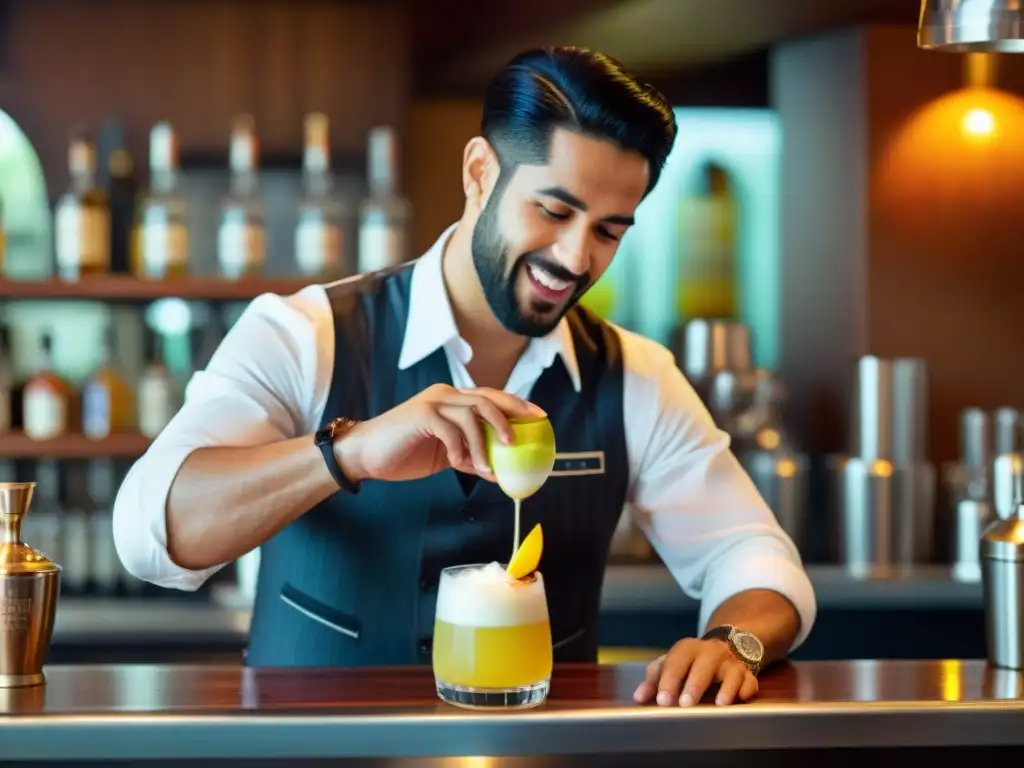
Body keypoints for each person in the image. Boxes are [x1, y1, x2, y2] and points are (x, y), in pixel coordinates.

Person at [113, 45, 816, 708]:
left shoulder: (636, 375)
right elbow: (151, 537)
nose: (576, 257)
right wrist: (347, 453)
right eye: (554, 210)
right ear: (479, 173)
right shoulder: (306, 336)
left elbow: (751, 556)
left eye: (608, 231)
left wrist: (736, 643)